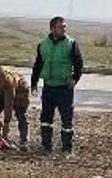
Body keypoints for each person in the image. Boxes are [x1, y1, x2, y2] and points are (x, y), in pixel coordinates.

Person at [30, 16, 85, 156]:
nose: (64, 29)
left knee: (67, 119)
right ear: (52, 28)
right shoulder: (43, 44)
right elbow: (38, 65)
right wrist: (34, 83)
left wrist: (75, 78)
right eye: (61, 27)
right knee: (46, 119)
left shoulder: (71, 43)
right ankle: (46, 147)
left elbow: (79, 63)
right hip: (48, 87)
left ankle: (67, 148)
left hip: (65, 89)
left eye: (64, 26)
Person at [0, 65, 32, 150]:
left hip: (20, 90)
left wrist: (6, 123)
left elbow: (9, 104)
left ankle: (24, 140)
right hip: (0, 92)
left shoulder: (6, 81)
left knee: (20, 114)